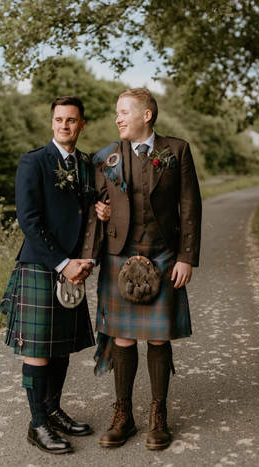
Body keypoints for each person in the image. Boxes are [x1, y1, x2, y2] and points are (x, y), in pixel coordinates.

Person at [82, 88, 201, 451]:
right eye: (116, 113)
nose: (117, 118)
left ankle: (158, 415)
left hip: (164, 255)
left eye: (123, 112)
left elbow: (190, 205)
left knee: (159, 337)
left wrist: (186, 257)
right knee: (122, 338)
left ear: (146, 115)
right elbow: (94, 205)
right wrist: (98, 213)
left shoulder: (176, 151)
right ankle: (124, 416)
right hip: (120, 256)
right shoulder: (105, 157)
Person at [0, 96, 109, 454]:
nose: (65, 125)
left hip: (75, 266)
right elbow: (28, 220)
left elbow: (88, 211)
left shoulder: (87, 164)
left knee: (61, 347)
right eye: (59, 119)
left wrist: (100, 214)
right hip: (42, 264)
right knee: (38, 350)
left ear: (82, 124)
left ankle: (53, 409)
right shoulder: (33, 162)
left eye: (72, 120)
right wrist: (63, 262)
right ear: (52, 123)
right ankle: (37, 424)